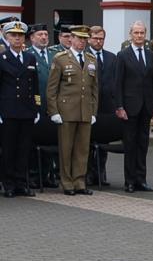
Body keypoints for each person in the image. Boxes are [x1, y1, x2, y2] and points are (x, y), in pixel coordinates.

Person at [46, 25, 97, 196]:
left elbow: (94, 88)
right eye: (78, 38)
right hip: (66, 110)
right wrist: (53, 111)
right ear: (71, 39)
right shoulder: (60, 58)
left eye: (84, 39)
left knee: (82, 149)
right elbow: (52, 88)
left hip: (85, 111)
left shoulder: (91, 59)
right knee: (66, 148)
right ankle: (67, 182)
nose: (81, 42)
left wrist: (94, 112)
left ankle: (79, 181)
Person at [115, 21, 153, 193]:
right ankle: (130, 181)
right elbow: (118, 83)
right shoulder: (123, 55)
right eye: (136, 33)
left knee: (143, 144)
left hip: (146, 107)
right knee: (130, 144)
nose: (139, 36)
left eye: (142, 33)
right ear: (130, 34)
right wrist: (119, 106)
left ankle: (141, 179)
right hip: (129, 107)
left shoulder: (151, 55)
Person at [0, 21, 39, 197]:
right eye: (13, 35)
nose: (17, 38)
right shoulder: (2, 58)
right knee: (9, 149)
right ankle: (8, 184)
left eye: (20, 35)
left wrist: (36, 107)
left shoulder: (30, 58)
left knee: (24, 148)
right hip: (8, 110)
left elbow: (35, 85)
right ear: (7, 38)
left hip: (27, 110)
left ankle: (21, 183)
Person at [27, 23, 59, 188]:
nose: (44, 37)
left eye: (46, 34)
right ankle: (33, 175)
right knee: (34, 142)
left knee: (51, 140)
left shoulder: (55, 55)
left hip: (53, 106)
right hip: (37, 105)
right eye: (40, 35)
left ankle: (47, 174)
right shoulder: (28, 55)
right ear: (32, 38)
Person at [86, 26, 117, 187]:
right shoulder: (84, 56)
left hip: (107, 107)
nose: (98, 41)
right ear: (89, 39)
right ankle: (88, 174)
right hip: (90, 106)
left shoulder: (111, 57)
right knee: (88, 142)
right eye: (95, 38)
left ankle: (100, 173)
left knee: (104, 142)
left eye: (101, 38)